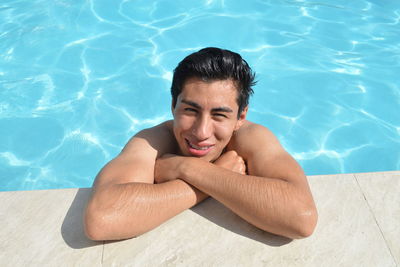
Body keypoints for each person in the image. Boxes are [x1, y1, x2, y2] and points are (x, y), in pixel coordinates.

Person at [84, 47, 318, 241]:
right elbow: (101, 219)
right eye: (190, 110)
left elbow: (301, 218)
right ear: (173, 104)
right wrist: (216, 176)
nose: (201, 132)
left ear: (241, 117)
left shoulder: (251, 138)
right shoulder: (152, 141)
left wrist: (185, 168)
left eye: (219, 115)